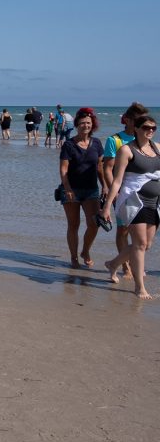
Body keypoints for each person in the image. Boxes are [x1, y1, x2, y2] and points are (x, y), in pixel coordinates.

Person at [102, 115, 160, 299]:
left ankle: (112, 264)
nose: (150, 131)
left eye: (153, 128)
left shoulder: (158, 148)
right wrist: (106, 207)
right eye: (146, 127)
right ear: (136, 128)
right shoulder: (126, 150)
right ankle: (139, 287)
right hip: (134, 200)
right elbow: (117, 181)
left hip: (154, 202)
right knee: (140, 244)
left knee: (146, 244)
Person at [103, 102, 149, 280]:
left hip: (146, 195)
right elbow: (107, 168)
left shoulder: (147, 140)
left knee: (144, 235)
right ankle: (125, 266)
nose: (143, 124)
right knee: (123, 230)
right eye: (139, 120)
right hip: (124, 194)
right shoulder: (114, 140)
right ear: (128, 120)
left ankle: (128, 262)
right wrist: (112, 193)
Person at [58, 108, 104, 269]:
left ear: (93, 125)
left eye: (89, 123)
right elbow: (63, 169)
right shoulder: (69, 145)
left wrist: (105, 186)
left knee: (94, 224)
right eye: (83, 123)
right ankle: (74, 257)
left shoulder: (97, 143)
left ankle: (85, 251)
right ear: (77, 125)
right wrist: (68, 188)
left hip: (91, 190)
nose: (86, 125)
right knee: (73, 224)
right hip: (71, 190)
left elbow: (100, 167)